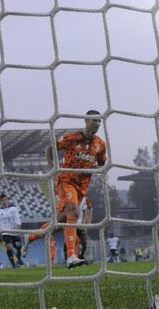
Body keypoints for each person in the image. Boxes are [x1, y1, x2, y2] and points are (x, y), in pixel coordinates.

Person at [47, 111, 107, 269]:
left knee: (62, 219)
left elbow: (102, 163)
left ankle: (37, 235)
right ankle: (71, 256)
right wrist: (52, 168)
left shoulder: (100, 144)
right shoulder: (72, 139)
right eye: (94, 120)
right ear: (86, 120)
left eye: (100, 122)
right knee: (74, 212)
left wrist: (95, 169)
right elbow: (50, 148)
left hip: (81, 188)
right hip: (65, 180)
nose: (98, 124)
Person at [0, 193, 24, 268]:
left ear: (8, 200)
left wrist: (19, 230)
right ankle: (13, 264)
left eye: (5, 199)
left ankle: (19, 258)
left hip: (15, 231)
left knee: (18, 248)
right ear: (0, 202)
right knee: (9, 247)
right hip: (5, 232)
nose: (4, 201)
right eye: (2, 200)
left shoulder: (14, 209)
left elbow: (18, 219)